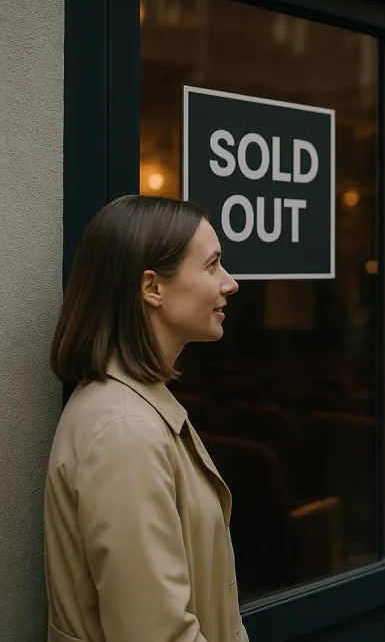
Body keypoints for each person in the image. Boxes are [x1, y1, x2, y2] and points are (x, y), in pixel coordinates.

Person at [44, 195, 245, 642]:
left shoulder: (131, 409)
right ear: (152, 287)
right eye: (212, 265)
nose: (229, 283)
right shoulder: (126, 433)